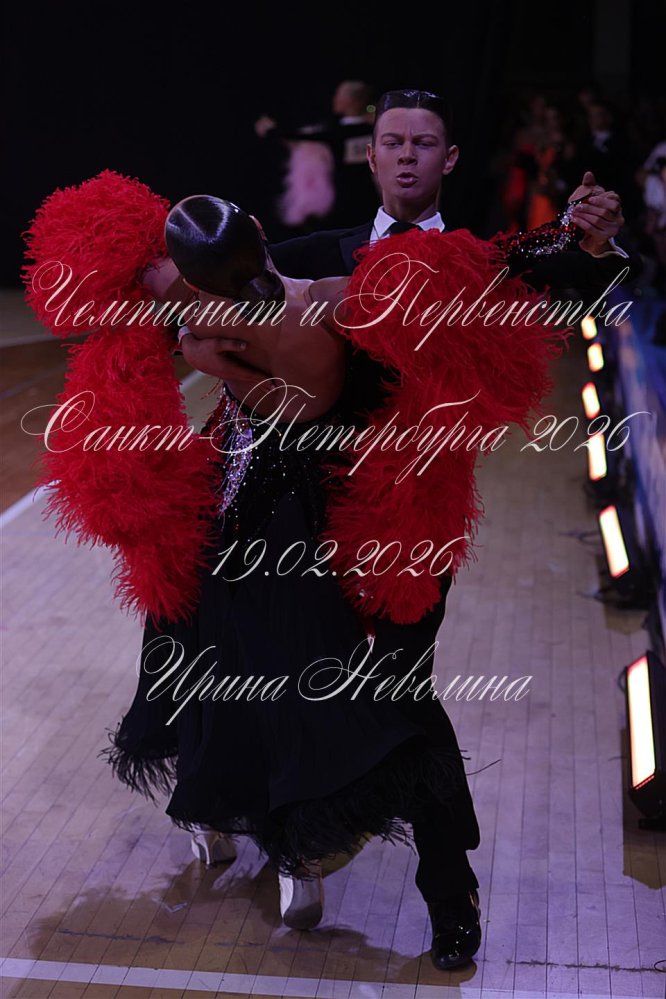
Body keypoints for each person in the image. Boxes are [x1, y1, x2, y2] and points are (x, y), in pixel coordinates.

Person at [180, 89, 640, 971]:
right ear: (371, 155)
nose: (404, 155)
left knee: (401, 694)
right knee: (282, 675)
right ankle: (290, 834)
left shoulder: (480, 263)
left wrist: (596, 241)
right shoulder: (321, 254)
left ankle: (448, 887)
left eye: (423, 143)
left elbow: (588, 281)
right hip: (309, 522)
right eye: (391, 141)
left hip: (413, 528)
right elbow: (217, 298)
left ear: (449, 159)